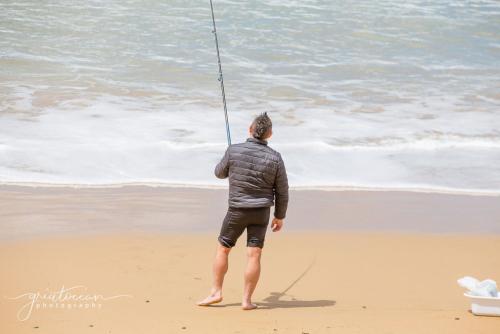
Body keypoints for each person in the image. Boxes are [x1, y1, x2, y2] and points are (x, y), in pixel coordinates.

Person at [197, 112, 289, 310]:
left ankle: (216, 291)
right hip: (261, 212)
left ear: (250, 129)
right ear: (269, 135)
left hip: (237, 210)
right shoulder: (275, 158)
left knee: (223, 248)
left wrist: (231, 158)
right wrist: (279, 216)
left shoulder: (234, 150)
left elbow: (218, 173)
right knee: (254, 254)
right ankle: (246, 301)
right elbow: (282, 191)